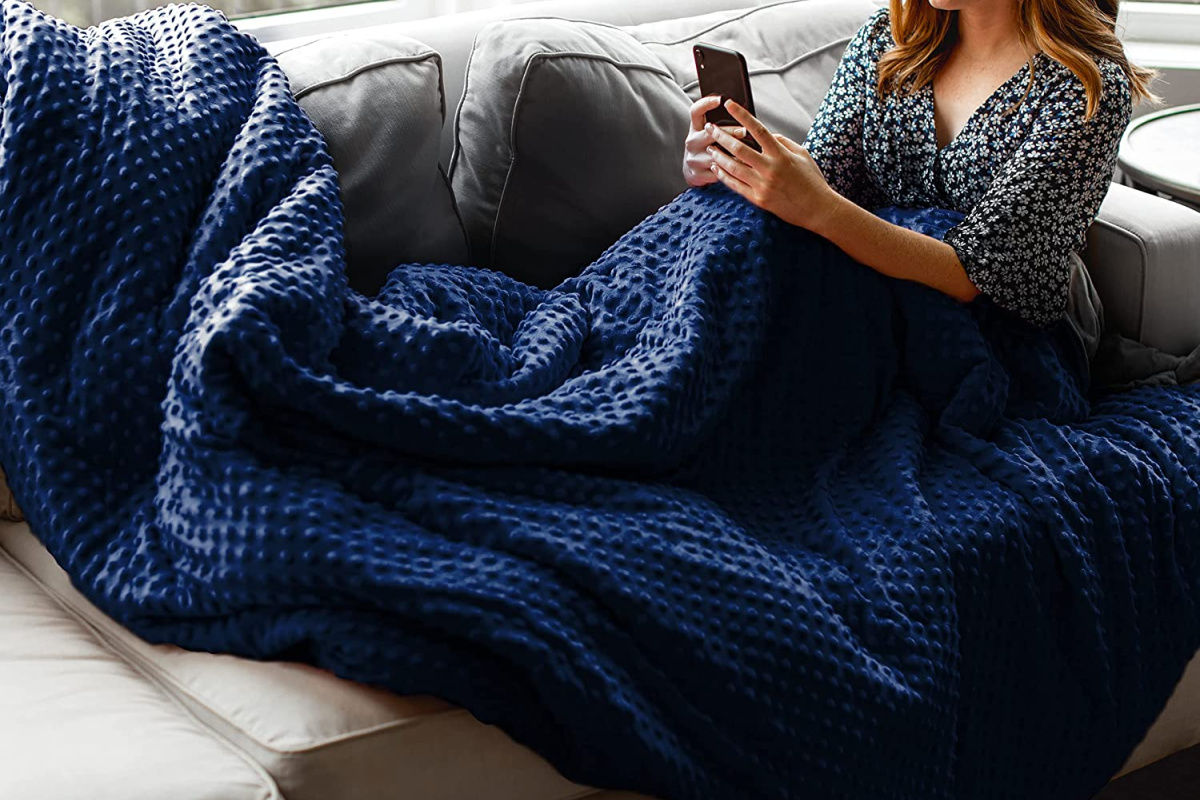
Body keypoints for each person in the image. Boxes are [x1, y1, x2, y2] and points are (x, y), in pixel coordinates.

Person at [681, 0, 1155, 330]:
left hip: (994, 337)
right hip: (859, 294)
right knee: (727, 244)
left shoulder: (1085, 87)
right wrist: (731, 170)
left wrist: (817, 207)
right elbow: (822, 182)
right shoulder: (888, 41)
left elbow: (978, 276)